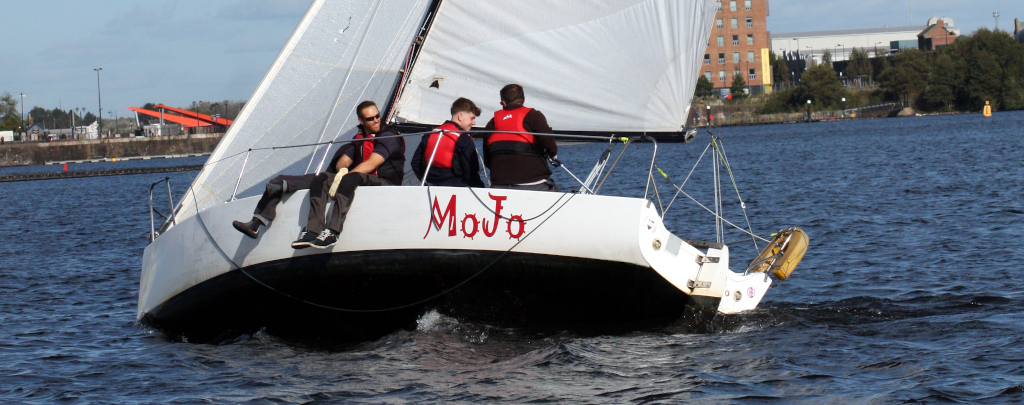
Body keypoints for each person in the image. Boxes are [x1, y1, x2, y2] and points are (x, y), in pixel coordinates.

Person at [292, 100, 406, 249]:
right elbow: (343, 161)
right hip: (364, 178)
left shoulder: (388, 137)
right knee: (322, 179)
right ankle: (313, 231)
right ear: (361, 120)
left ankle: (333, 232)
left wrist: (344, 178)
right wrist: (342, 171)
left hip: (385, 182)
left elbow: (371, 164)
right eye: (370, 118)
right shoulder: (359, 138)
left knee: (350, 178)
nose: (376, 120)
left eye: (377, 116)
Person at [231, 142, 352, 239]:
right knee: (277, 180)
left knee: (318, 180)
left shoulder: (363, 145)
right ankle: (256, 223)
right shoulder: (351, 146)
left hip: (338, 180)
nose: (372, 120)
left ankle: (284, 186)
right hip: (329, 177)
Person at [482, 84, 560, 191]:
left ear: (504, 103)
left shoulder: (492, 123)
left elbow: (487, 159)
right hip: (533, 182)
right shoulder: (534, 116)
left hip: (499, 183)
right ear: (523, 100)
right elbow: (549, 142)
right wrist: (552, 154)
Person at [411, 97, 485, 187]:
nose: (473, 123)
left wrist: (426, 181)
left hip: (431, 186)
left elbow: (415, 163)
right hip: (455, 188)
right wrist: (480, 188)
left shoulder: (430, 135)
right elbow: (471, 171)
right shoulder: (464, 140)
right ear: (460, 116)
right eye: (472, 118)